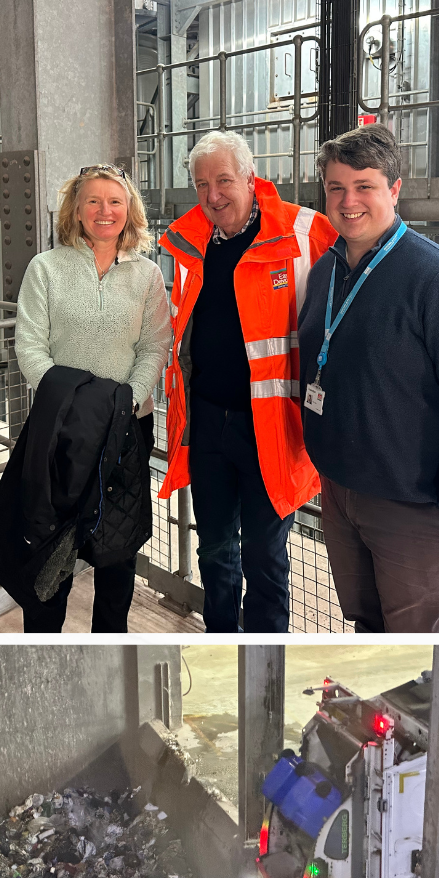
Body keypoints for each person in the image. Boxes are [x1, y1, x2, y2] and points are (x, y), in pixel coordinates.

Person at [159, 131, 337, 633]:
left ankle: (265, 651)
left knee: (265, 554)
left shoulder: (304, 233)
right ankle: (221, 634)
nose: (212, 195)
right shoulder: (190, 242)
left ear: (250, 178)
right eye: (201, 184)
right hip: (209, 421)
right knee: (215, 547)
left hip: (272, 426)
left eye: (223, 181)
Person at [298, 123, 439, 632]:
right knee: (362, 621)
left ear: (395, 190)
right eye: (337, 187)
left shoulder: (436, 279)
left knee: (416, 633)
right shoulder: (326, 270)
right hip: (340, 489)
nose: (348, 201)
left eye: (365, 186)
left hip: (412, 504)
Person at [12, 164, 171, 631]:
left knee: (116, 552)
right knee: (49, 545)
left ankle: (111, 640)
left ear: (129, 211)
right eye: (94, 202)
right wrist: (75, 406)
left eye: (115, 201)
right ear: (77, 211)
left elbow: (154, 345)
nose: (106, 211)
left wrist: (127, 400)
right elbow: (30, 345)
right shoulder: (45, 269)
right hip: (61, 430)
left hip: (126, 429)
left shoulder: (147, 276)